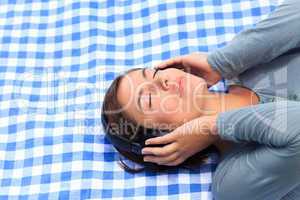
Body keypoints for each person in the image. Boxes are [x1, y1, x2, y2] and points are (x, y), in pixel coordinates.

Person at [102, 0, 300, 199]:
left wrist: (221, 62)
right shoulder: (232, 185)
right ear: (161, 140)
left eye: (154, 73)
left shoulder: (246, 65)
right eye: (150, 99)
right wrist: (214, 126)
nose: (163, 79)